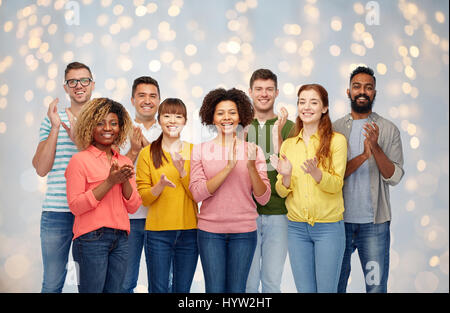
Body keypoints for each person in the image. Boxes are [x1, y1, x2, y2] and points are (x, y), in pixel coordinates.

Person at [189, 88, 271, 293]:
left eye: (232, 112)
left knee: (237, 291)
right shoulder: (200, 150)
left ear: (241, 116)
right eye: (220, 113)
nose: (227, 117)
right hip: (210, 233)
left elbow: (263, 198)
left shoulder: (254, 151)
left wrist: (251, 166)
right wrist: (228, 167)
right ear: (212, 118)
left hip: (244, 232)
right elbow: (197, 193)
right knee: (214, 290)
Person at [334, 66, 404, 293]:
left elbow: (393, 177)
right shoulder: (335, 130)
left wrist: (375, 147)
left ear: (374, 93)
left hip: (375, 226)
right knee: (335, 286)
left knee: (375, 288)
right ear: (348, 92)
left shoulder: (388, 129)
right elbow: (332, 176)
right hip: (338, 223)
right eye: (357, 87)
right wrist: (364, 155)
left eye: (368, 87)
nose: (362, 91)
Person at [271, 84, 347, 293]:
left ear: (324, 108)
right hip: (296, 229)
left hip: (328, 228)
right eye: (302, 102)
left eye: (313, 102)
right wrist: (285, 176)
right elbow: (282, 190)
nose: (307, 107)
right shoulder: (288, 145)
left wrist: (317, 174)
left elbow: (337, 184)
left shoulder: (337, 141)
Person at [65, 98, 141, 293]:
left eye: (113, 123)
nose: (108, 128)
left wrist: (123, 179)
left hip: (121, 240)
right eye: (100, 123)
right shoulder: (79, 161)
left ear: (120, 127)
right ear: (90, 126)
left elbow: (133, 206)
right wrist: (109, 182)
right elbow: (75, 206)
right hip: (90, 240)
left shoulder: (124, 161)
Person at [32, 61, 95, 293]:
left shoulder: (103, 120)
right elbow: (41, 168)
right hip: (56, 211)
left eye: (84, 80)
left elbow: (104, 164)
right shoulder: (51, 121)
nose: (79, 85)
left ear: (92, 84)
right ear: (66, 87)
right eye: (73, 81)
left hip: (91, 212)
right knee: (52, 283)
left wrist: (81, 137)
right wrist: (57, 128)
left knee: (90, 285)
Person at [136, 98, 198, 293]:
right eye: (167, 115)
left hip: (189, 232)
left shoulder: (194, 151)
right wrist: (160, 186)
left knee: (182, 291)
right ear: (159, 119)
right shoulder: (147, 153)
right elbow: (144, 197)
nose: (172, 120)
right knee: (159, 289)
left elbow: (198, 195)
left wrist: (182, 174)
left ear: (185, 121)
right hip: (158, 233)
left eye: (178, 116)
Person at [245, 69, 294, 293]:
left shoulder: (290, 127)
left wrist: (279, 136)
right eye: (259, 89)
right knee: (248, 282)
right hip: (247, 215)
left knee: (272, 282)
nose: (264, 94)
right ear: (250, 92)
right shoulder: (240, 127)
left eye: (269, 89)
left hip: (279, 214)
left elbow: (292, 168)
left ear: (276, 92)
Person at [121, 76, 163, 293]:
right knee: (125, 282)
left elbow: (167, 173)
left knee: (161, 284)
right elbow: (113, 171)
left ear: (159, 100)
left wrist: (146, 148)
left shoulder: (167, 130)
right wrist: (134, 151)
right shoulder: (119, 130)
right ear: (132, 99)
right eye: (142, 95)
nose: (147, 100)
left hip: (160, 218)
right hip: (129, 219)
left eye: (152, 96)